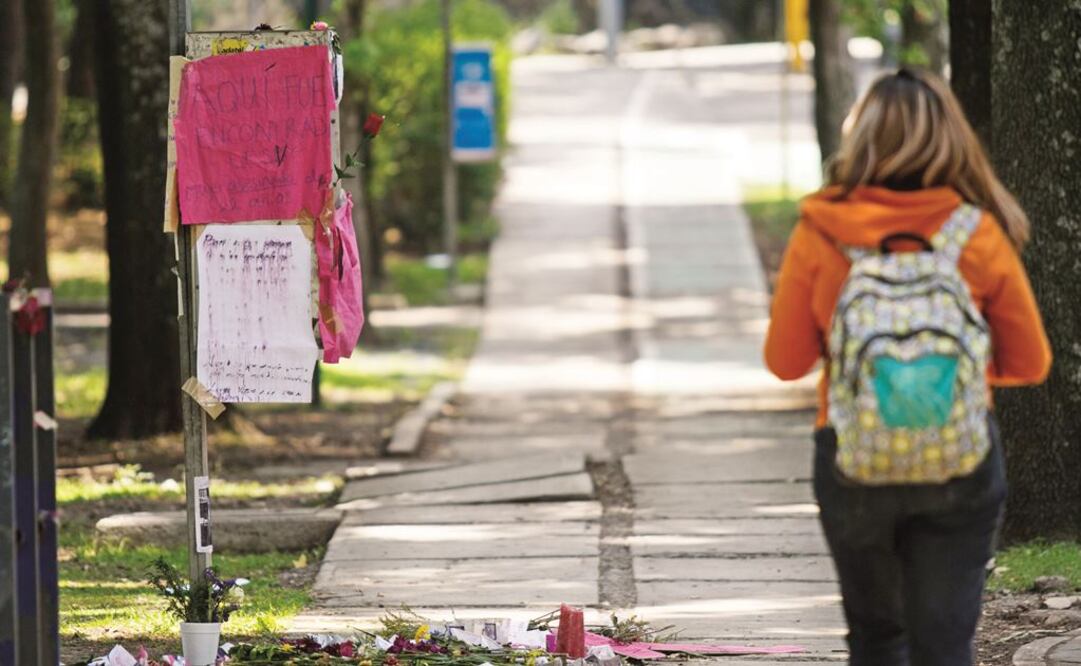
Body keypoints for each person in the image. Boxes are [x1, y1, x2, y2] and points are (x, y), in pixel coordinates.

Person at [763, 68, 1052, 665]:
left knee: (877, 640)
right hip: (960, 462)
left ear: (860, 137)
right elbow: (1029, 362)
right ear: (952, 138)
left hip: (853, 460)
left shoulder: (821, 229)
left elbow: (786, 362)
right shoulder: (977, 233)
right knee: (945, 644)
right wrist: (939, 381)